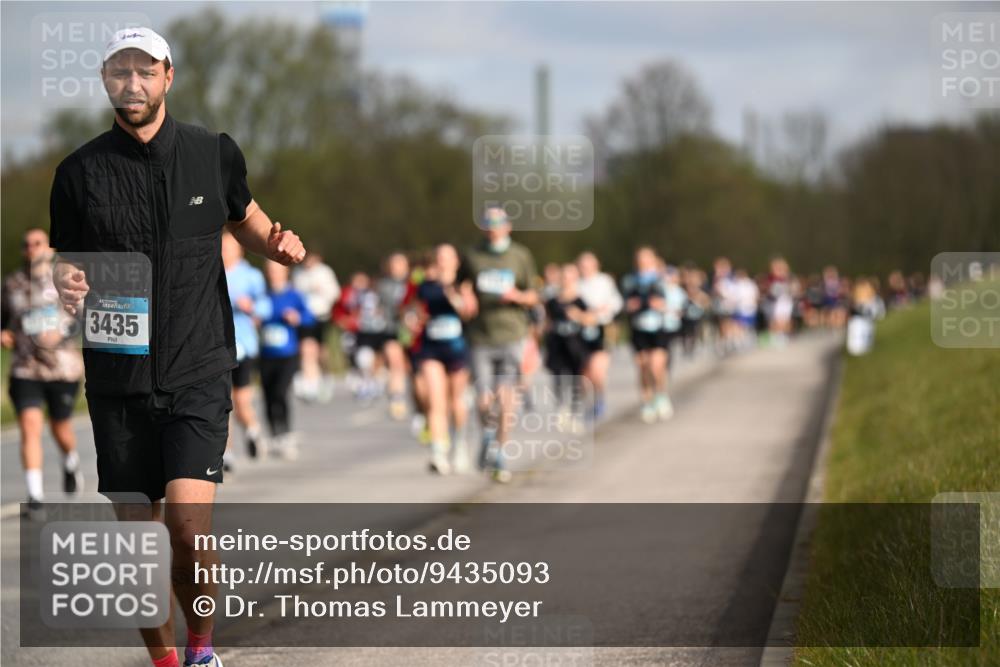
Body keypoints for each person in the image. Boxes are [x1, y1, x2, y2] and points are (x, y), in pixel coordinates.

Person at [49, 28, 305, 667]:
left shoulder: (211, 153)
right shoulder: (78, 172)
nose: (131, 83)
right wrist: (65, 278)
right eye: (118, 71)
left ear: (167, 77)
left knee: (188, 531)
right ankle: (165, 663)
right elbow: (65, 260)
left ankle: (200, 649)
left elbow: (248, 222)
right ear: (106, 80)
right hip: (117, 378)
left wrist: (275, 244)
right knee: (138, 555)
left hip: (197, 367)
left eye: (144, 70)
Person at [1, 229, 85, 518]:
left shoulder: (65, 279)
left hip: (62, 368)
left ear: (48, 247)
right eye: (27, 245)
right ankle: (35, 494)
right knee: (29, 425)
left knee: (60, 428)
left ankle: (70, 459)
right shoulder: (12, 284)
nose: (32, 248)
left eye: (38, 243)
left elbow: (86, 315)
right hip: (26, 368)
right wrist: (5, 334)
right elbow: (4, 321)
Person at [459, 207, 539, 483]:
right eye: (488, 223)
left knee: (506, 400)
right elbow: (461, 286)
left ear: (508, 226)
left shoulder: (520, 255)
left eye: (498, 223)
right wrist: (466, 297)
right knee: (483, 401)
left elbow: (534, 295)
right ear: (483, 228)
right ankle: (488, 436)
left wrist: (517, 295)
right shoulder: (472, 255)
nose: (493, 228)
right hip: (480, 336)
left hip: (512, 334)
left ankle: (500, 453)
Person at [408, 244, 478, 474]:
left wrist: (455, 296)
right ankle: (438, 453)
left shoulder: (463, 285)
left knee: (455, 400)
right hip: (431, 348)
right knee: (436, 400)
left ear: (456, 261)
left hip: (457, 348)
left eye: (448, 257)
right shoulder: (426, 286)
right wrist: (414, 320)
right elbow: (416, 312)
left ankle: (459, 445)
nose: (443, 261)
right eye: (439, 257)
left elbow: (469, 312)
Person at [258, 261, 313, 459]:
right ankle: (274, 434)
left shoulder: (294, 295)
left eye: (277, 271)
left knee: (281, 392)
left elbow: (310, 317)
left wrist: (297, 317)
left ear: (285, 272)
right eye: (270, 271)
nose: (273, 275)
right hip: (266, 353)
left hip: (288, 353)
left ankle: (286, 433)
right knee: (267, 395)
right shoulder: (263, 294)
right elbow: (256, 315)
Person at [222, 230, 267, 463]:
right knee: (221, 403)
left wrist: (252, 307)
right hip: (218, 346)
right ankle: (226, 454)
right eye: (222, 247)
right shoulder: (212, 273)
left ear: (239, 249)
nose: (225, 252)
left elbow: (265, 307)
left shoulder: (251, 276)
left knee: (240, 402)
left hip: (244, 345)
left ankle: (253, 430)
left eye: (229, 247)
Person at [544, 263, 597, 431]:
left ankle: (575, 413)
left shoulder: (581, 300)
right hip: (557, 343)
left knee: (576, 380)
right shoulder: (552, 301)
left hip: (576, 344)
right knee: (558, 378)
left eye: (570, 276)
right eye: (564, 276)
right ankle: (561, 410)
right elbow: (547, 322)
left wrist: (578, 315)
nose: (566, 280)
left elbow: (591, 320)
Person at [621, 247, 670, 423]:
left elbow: (670, 302)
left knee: (656, 366)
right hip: (638, 327)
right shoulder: (629, 280)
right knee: (643, 366)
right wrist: (630, 306)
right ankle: (646, 400)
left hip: (658, 327)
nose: (643, 261)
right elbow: (624, 304)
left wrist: (659, 304)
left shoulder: (661, 279)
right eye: (640, 258)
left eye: (647, 258)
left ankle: (661, 395)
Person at [576, 251, 622, 420]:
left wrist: (604, 309)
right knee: (584, 374)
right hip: (580, 331)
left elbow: (616, 302)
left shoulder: (604, 281)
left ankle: (600, 399)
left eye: (588, 265)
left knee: (598, 370)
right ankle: (590, 402)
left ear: (596, 265)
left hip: (601, 328)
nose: (585, 268)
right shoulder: (576, 283)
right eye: (582, 265)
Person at [292, 249, 340, 402]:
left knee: (321, 352)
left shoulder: (325, 272)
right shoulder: (298, 273)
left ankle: (325, 376)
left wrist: (322, 290)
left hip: (321, 315)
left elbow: (335, 293)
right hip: (305, 318)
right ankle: (311, 384)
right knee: (306, 349)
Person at [375, 252, 412, 420]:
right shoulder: (383, 286)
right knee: (395, 362)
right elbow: (378, 308)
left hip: (413, 332)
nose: (397, 268)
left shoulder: (414, 283)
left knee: (410, 368)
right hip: (391, 329)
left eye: (400, 264)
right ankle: (397, 398)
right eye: (394, 264)